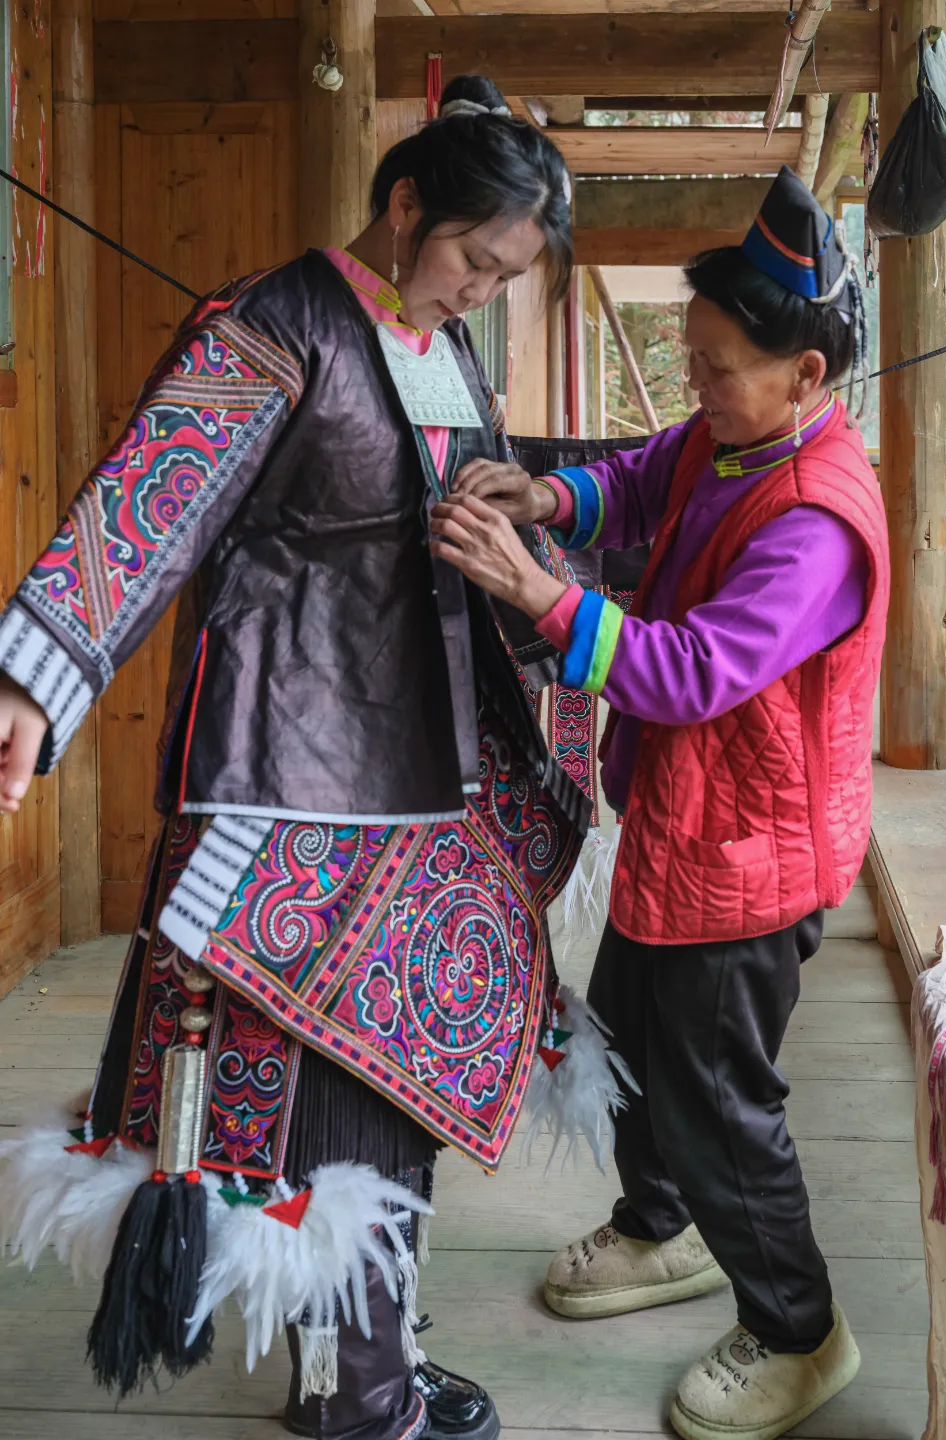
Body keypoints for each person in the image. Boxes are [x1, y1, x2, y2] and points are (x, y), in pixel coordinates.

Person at [0, 75, 615, 1440]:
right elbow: (153, 491)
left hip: (430, 776)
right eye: (471, 259)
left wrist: (518, 497)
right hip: (289, 775)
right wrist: (35, 677)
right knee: (326, 1104)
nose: (479, 290)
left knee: (397, 1085)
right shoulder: (275, 322)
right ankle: (357, 1399)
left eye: (504, 275)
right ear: (404, 207)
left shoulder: (446, 349)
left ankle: (370, 1366)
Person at [429, 165, 890, 1440]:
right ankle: (660, 1226)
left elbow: (690, 673)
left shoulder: (817, 519)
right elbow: (641, 478)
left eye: (718, 367)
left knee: (721, 1103)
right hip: (690, 830)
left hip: (753, 860)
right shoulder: (734, 437)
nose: (697, 385)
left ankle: (799, 1330)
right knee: (629, 1034)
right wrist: (545, 496)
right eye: (690, 357)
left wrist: (540, 592)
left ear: (807, 374)